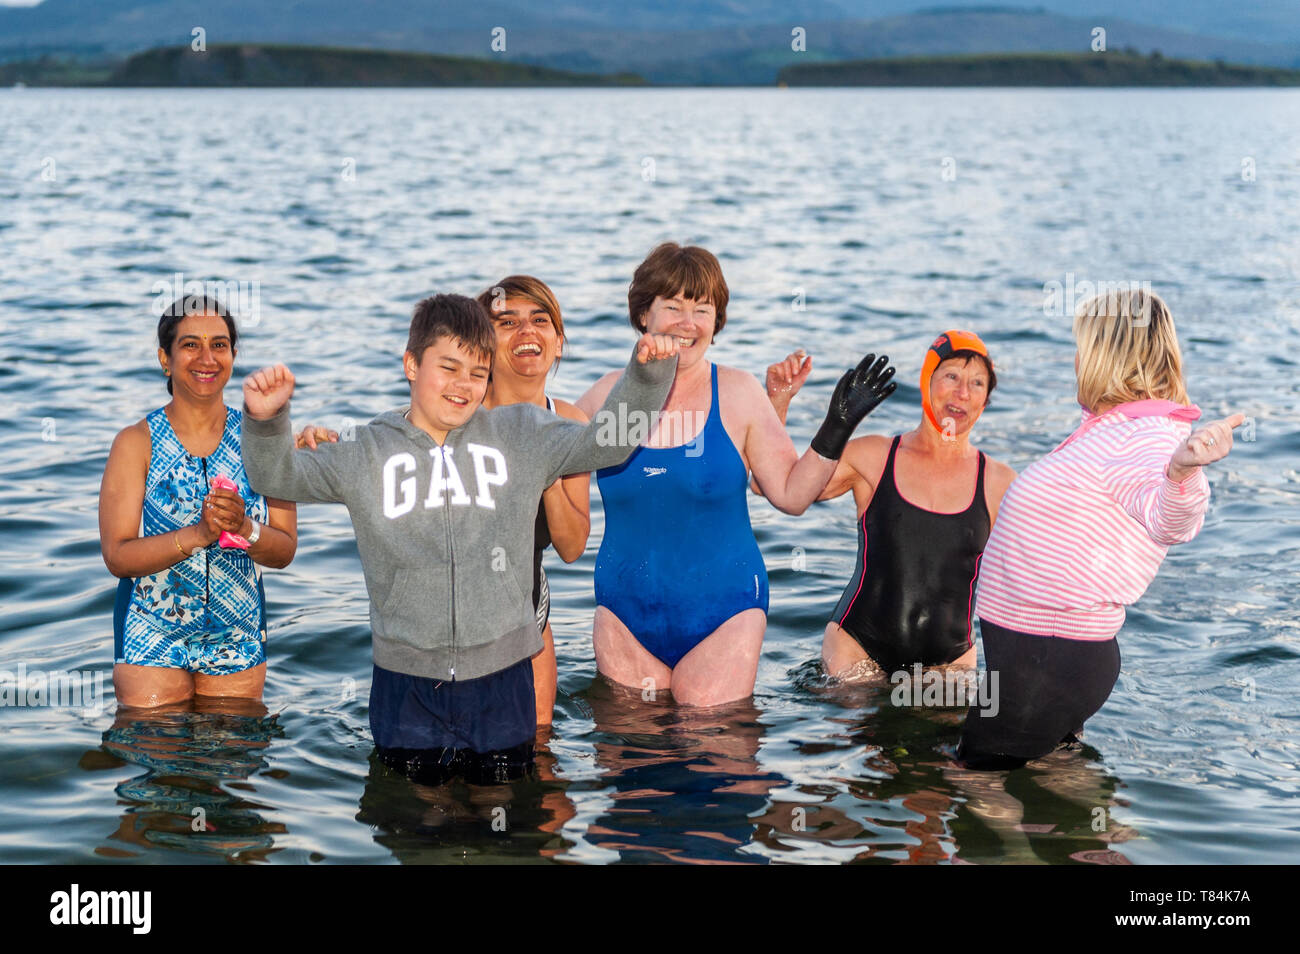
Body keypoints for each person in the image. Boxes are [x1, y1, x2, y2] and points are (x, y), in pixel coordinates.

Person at [241, 293, 680, 785]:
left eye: (477, 372)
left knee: (504, 809)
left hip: (503, 679)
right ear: (411, 364)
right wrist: (266, 421)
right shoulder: (365, 451)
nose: (463, 385)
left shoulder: (522, 433)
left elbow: (612, 442)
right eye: (448, 367)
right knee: (418, 819)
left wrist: (646, 377)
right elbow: (276, 479)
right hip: (406, 682)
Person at [575, 242, 896, 707]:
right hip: (624, 614)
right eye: (673, 307)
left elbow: (790, 494)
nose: (688, 323)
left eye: (702, 310)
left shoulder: (739, 393)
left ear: (716, 322)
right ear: (644, 314)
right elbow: (546, 465)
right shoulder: (605, 396)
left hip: (724, 613)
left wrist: (837, 425)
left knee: (715, 749)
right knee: (633, 766)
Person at [957, 288, 1243, 770]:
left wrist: (1182, 473)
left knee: (974, 782)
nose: (1075, 359)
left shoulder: (1146, 438)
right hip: (1048, 660)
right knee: (1056, 772)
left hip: (1049, 658)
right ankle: (1100, 845)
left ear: (1107, 356)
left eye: (1083, 347)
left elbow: (1169, 520)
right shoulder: (1112, 427)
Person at [296, 276, 586, 727]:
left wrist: (540, 464)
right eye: (507, 321)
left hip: (525, 606)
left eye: (540, 320)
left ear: (559, 341)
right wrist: (323, 438)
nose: (527, 332)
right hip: (435, 630)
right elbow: (390, 440)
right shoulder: (456, 410)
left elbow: (571, 549)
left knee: (536, 750)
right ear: (482, 343)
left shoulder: (566, 421)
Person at [764, 331, 1017, 679]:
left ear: (986, 400)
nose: (963, 392)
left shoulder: (1000, 483)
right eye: (952, 376)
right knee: (856, 727)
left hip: (947, 664)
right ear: (926, 380)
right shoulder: (874, 456)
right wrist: (781, 402)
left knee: (949, 732)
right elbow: (777, 487)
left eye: (977, 383)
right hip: (857, 649)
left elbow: (1037, 577)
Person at [99, 296, 298, 708]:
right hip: (151, 633)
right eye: (190, 344)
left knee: (234, 759)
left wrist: (244, 529)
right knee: (160, 763)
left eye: (219, 345)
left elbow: (284, 550)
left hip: (237, 631)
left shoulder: (261, 441)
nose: (207, 358)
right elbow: (117, 556)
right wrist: (199, 534)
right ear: (164, 358)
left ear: (233, 355)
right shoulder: (136, 443)